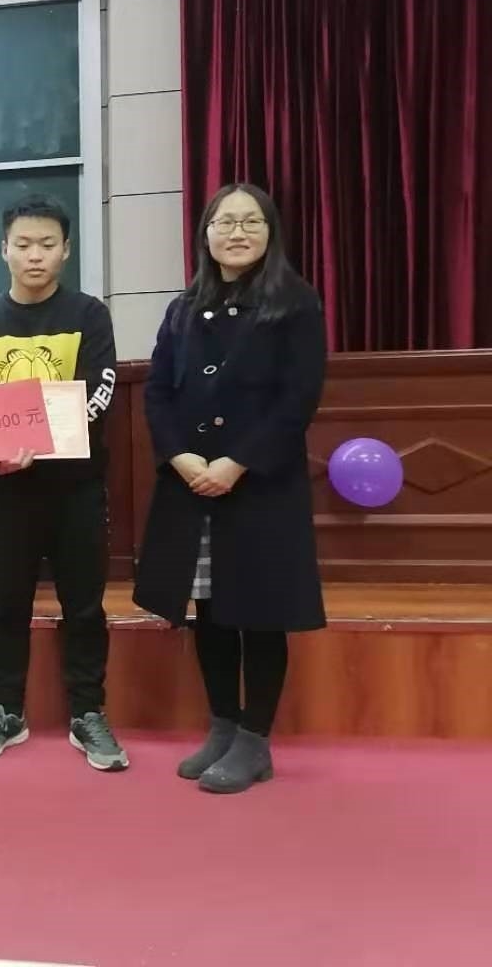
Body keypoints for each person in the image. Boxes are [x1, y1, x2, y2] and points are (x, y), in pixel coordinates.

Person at [133, 183, 327, 794]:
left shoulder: (295, 303)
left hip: (260, 484)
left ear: (270, 233)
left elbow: (298, 399)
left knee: (260, 614)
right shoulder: (183, 308)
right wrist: (181, 456)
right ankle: (222, 725)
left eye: (250, 222)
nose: (237, 232)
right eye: (225, 222)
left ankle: (254, 741)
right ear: (206, 234)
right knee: (209, 611)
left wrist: (237, 462)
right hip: (192, 483)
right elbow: (157, 391)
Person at [0, 195, 127, 772]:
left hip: (77, 490)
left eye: (47, 244)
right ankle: (6, 709)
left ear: (66, 250)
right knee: (7, 606)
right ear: (4, 250)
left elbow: (100, 393)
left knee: (85, 606)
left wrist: (37, 443)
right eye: (23, 244)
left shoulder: (89, 316)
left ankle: (88, 712)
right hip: (8, 495)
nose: (35, 255)